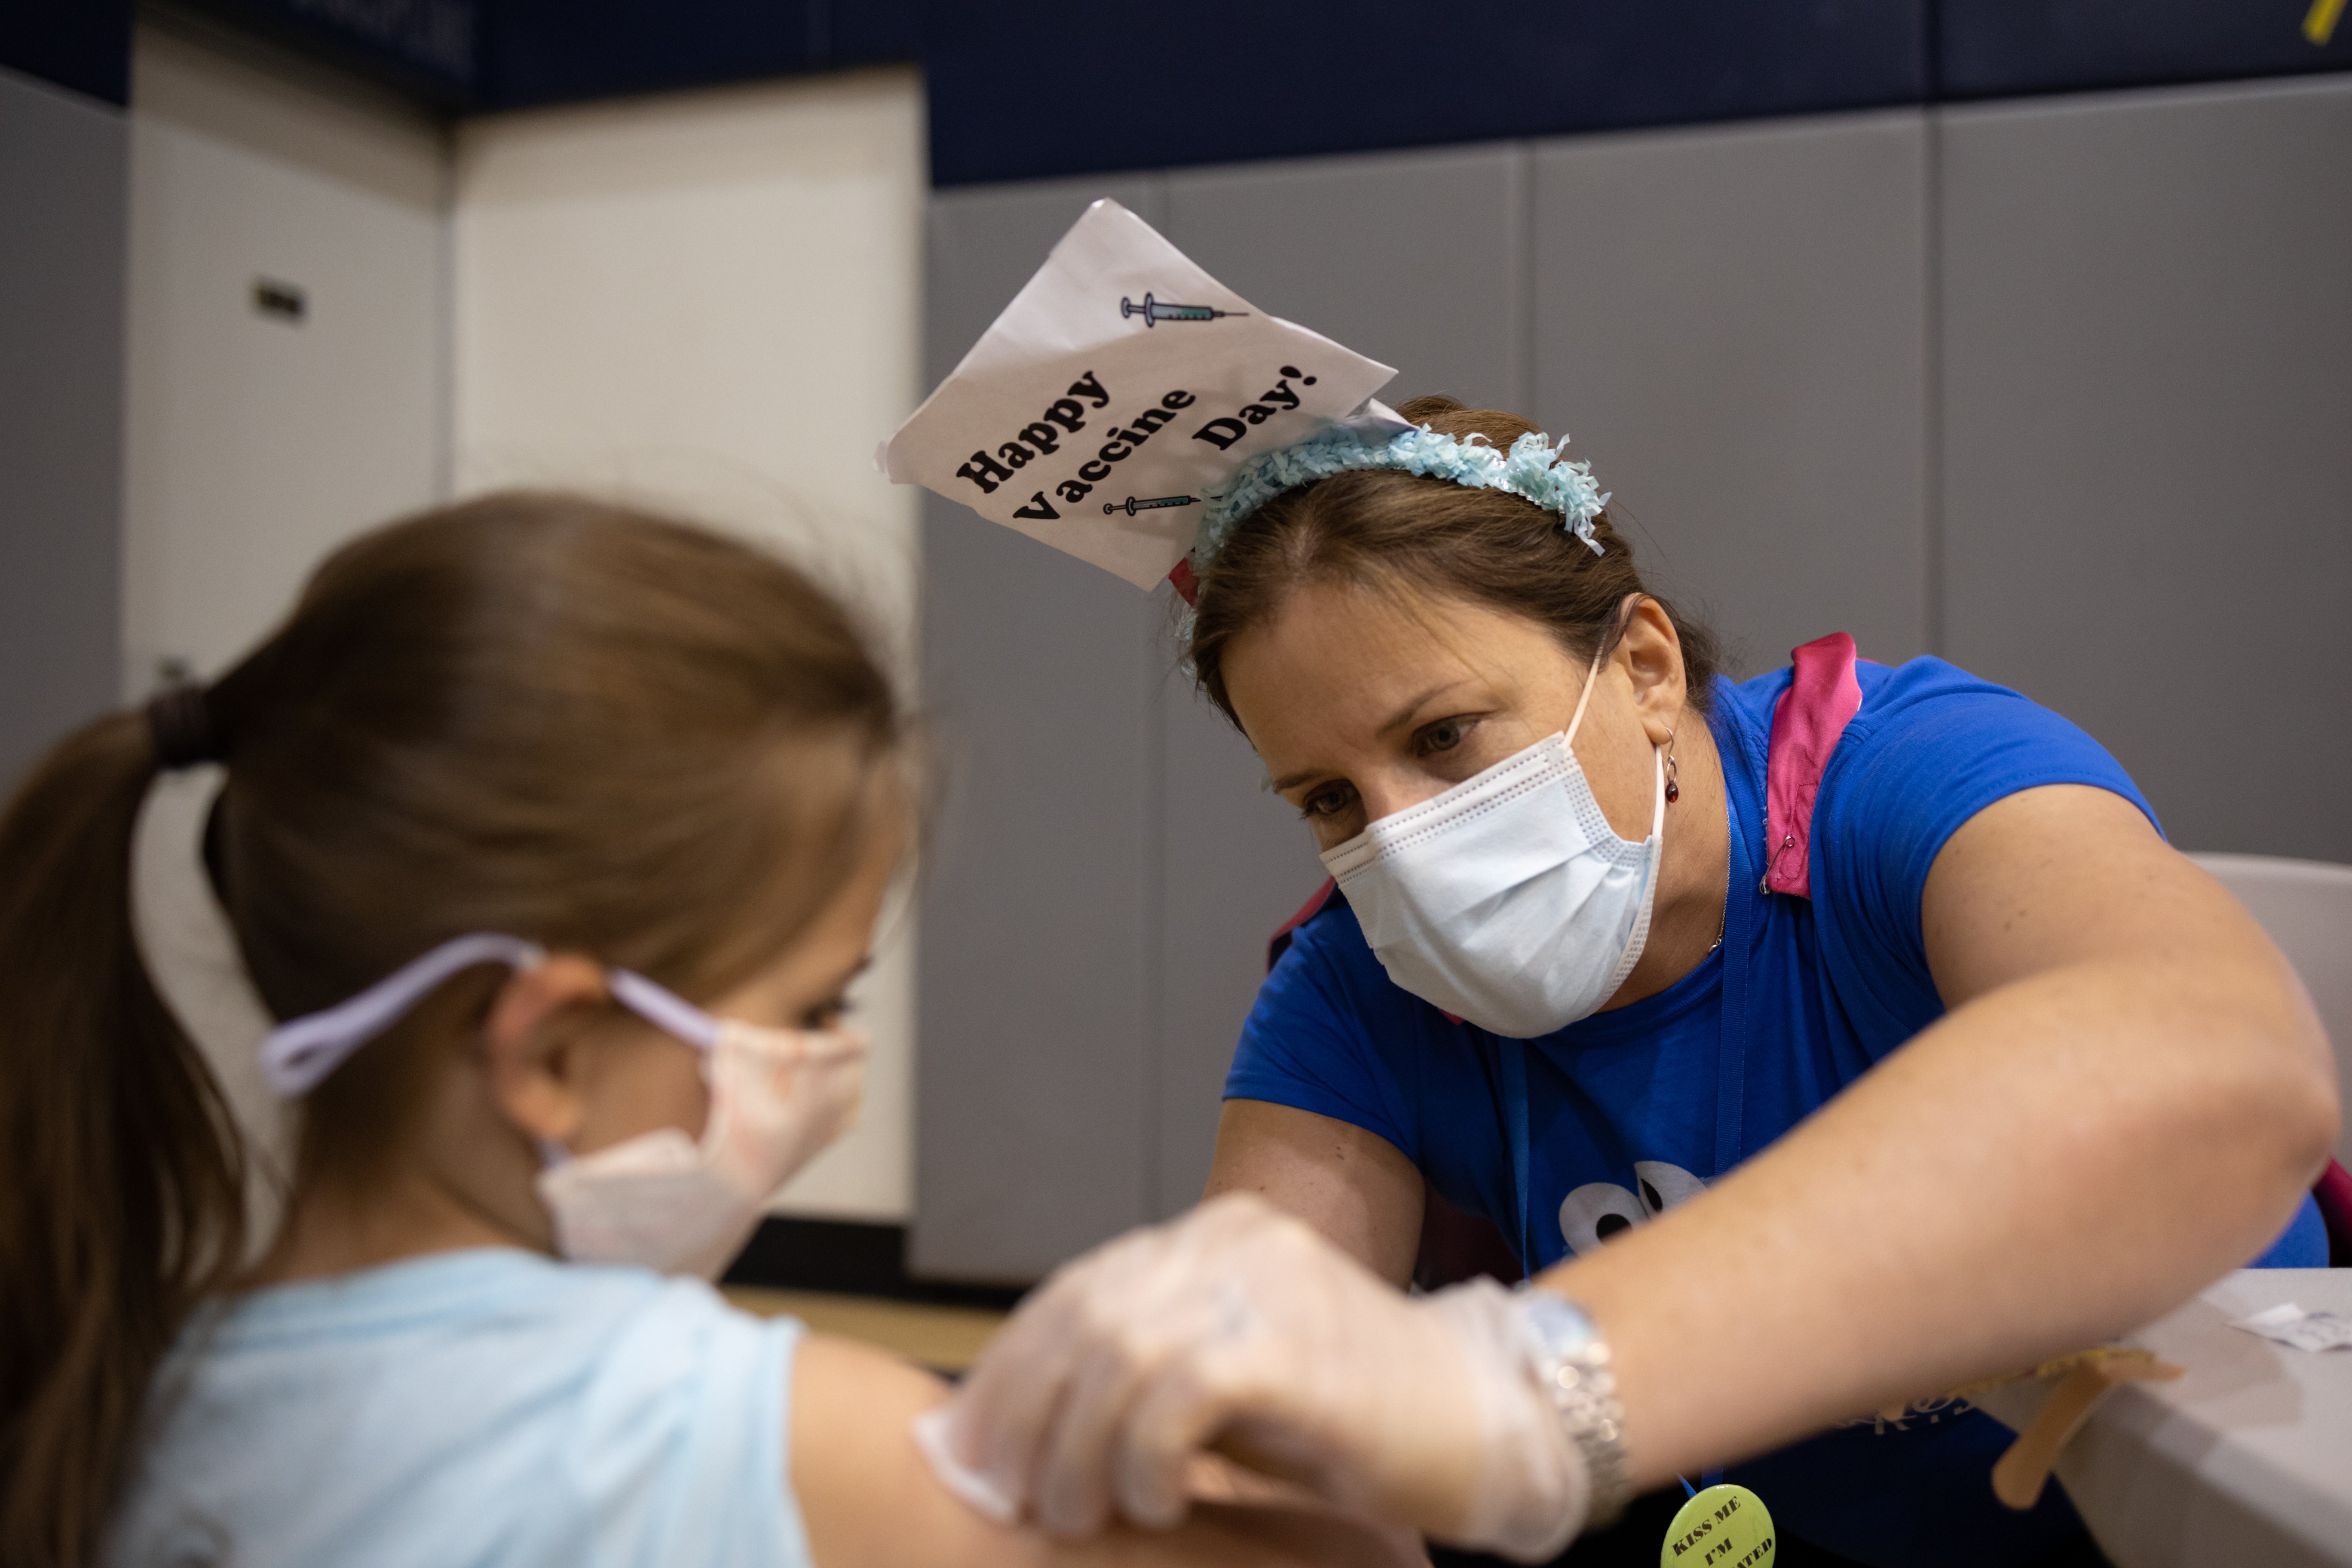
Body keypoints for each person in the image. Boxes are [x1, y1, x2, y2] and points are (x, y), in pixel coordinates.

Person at [930, 398, 2342, 1566]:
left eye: (1446, 737)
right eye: (1327, 799)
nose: (1401, 840)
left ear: (1646, 667)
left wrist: (1523, 1387)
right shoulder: (1361, 988)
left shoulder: (1905, 784)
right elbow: (1274, 1460)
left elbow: (2224, 1075)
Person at [0, 494, 1418, 1568]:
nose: (827, 1074)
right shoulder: (707, 1431)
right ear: (551, 1054)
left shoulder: (122, 1377)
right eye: (811, 1009)